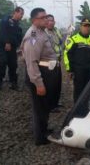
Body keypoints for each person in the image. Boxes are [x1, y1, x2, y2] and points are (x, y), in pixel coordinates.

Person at [21, 8, 62, 145]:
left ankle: (44, 129)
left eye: (46, 17)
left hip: (47, 73)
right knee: (39, 107)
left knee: (45, 105)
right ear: (34, 20)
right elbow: (31, 62)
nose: (46, 19)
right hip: (41, 75)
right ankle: (40, 137)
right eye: (43, 17)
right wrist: (38, 83)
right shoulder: (32, 36)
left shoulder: (41, 32)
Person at [63, 18, 90, 103]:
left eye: (88, 26)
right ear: (80, 27)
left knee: (88, 89)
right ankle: (77, 110)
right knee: (79, 90)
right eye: (85, 25)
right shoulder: (73, 39)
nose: (87, 28)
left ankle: (85, 108)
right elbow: (67, 54)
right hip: (79, 70)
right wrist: (69, 69)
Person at [0, 6, 24, 90]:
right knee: (2, 62)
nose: (22, 16)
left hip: (12, 47)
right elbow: (3, 31)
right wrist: (7, 42)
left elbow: (19, 37)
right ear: (16, 12)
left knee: (13, 64)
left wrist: (22, 44)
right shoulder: (6, 20)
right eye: (21, 13)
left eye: (22, 14)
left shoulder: (17, 25)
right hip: (2, 45)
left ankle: (13, 83)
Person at [45, 14, 63, 109]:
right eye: (48, 20)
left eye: (52, 20)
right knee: (50, 85)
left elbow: (60, 42)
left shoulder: (57, 31)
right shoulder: (43, 32)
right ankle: (50, 105)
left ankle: (56, 103)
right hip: (49, 62)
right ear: (45, 22)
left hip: (58, 61)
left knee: (57, 83)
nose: (50, 22)